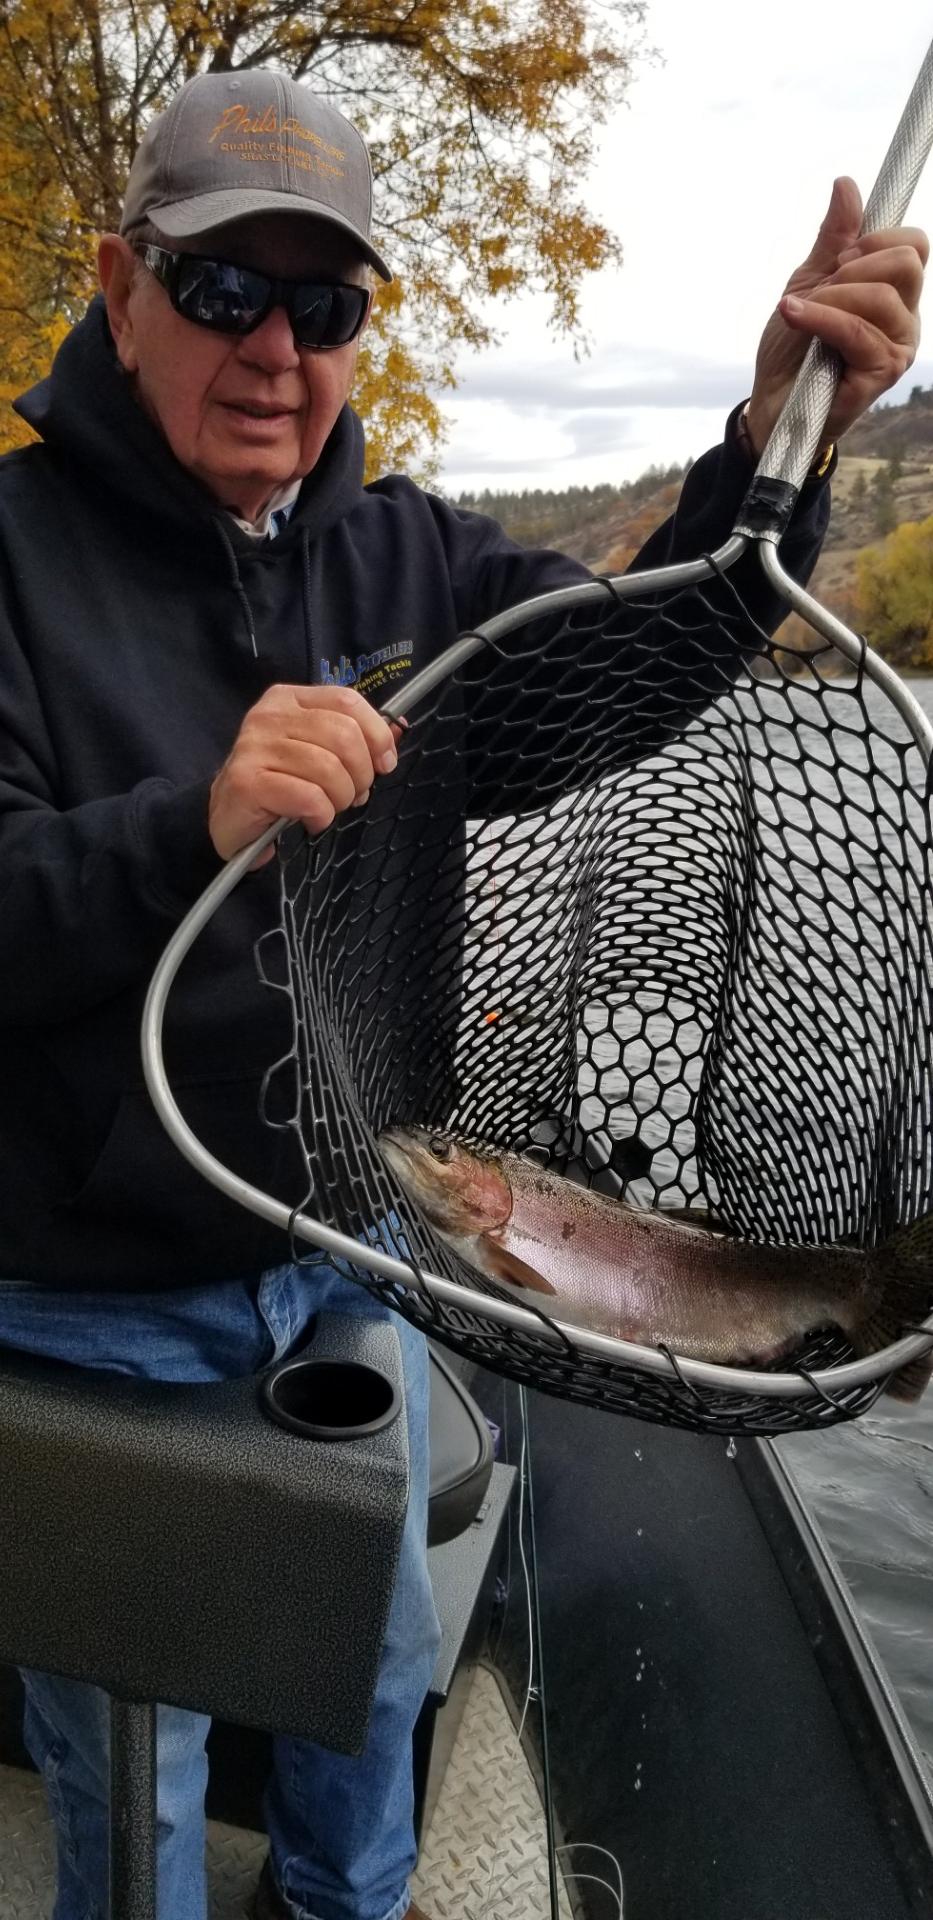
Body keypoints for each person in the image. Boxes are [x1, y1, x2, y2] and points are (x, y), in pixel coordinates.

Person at [0, 62, 925, 1920]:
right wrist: (184, 823)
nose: (276, 350)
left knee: (375, 1663)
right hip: (87, 1302)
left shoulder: (410, 557)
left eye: (325, 307)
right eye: (221, 291)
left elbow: (627, 667)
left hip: (354, 1253)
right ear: (118, 284)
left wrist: (774, 439)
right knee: (139, 1749)